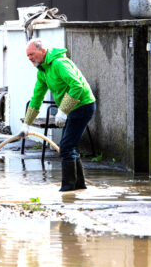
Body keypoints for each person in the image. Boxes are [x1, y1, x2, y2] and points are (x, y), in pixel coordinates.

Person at [19, 38, 96, 192]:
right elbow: (37, 98)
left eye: (32, 54)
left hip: (83, 105)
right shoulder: (43, 71)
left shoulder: (59, 63)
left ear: (42, 51)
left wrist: (63, 110)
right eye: (27, 56)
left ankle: (68, 189)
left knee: (66, 147)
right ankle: (79, 186)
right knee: (69, 146)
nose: (30, 58)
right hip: (72, 107)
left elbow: (77, 85)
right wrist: (26, 124)